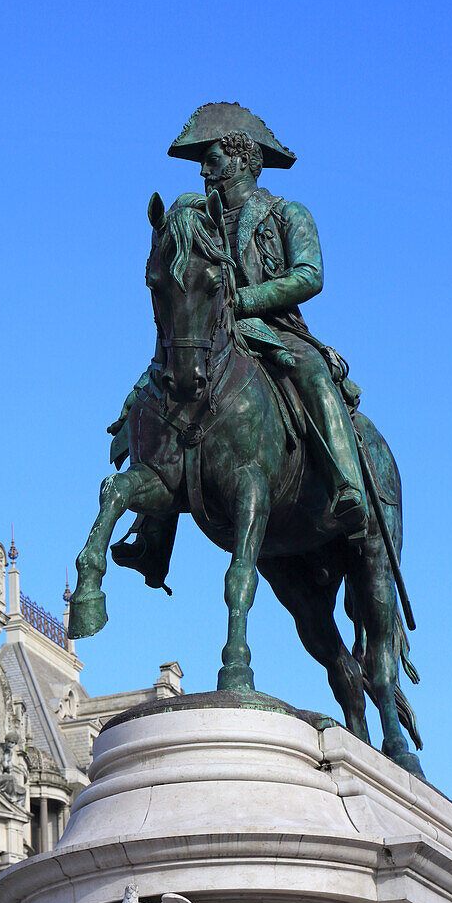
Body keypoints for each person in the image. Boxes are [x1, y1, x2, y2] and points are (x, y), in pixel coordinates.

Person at [110, 102, 368, 587]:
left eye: (213, 160)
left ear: (244, 159)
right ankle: (151, 537)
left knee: (311, 372)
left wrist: (244, 298)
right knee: (149, 396)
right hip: (213, 336)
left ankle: (345, 485)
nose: (206, 172)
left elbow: (309, 276)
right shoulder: (199, 221)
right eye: (204, 164)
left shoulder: (286, 213)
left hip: (274, 328)